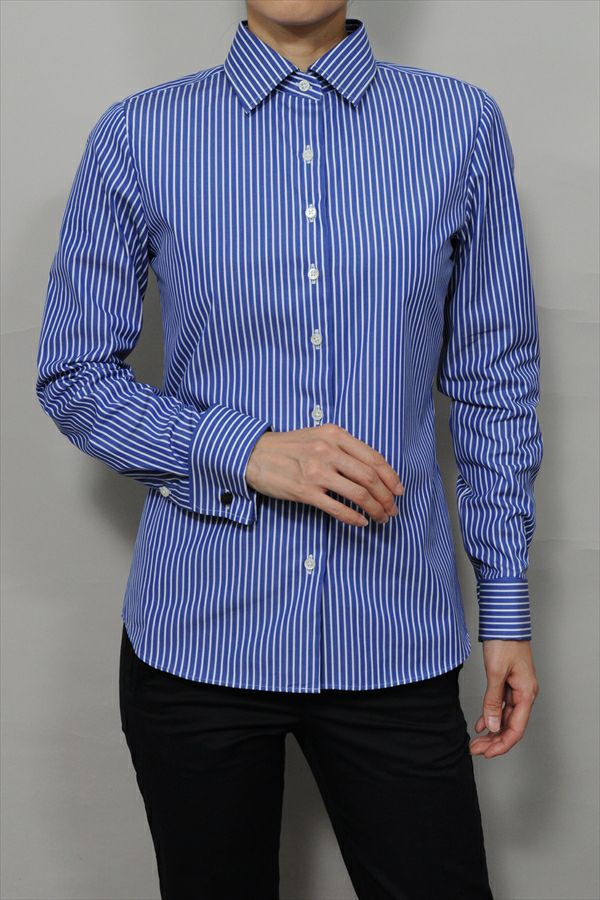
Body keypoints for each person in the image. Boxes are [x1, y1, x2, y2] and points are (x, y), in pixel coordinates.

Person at [35, 1, 543, 897]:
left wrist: (504, 605)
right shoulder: (139, 135)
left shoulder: (461, 125)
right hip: (197, 639)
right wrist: (246, 451)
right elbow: (73, 374)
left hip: (395, 632)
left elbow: (495, 377)